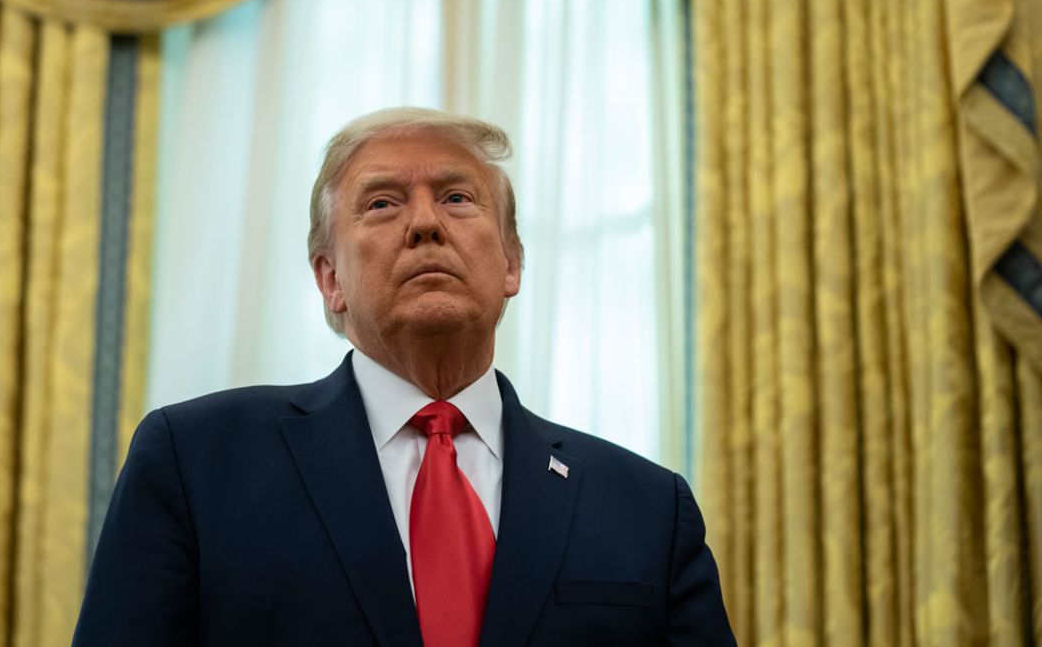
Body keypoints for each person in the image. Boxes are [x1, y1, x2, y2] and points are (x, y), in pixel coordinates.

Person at [73, 108, 735, 646]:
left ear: (511, 263)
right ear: (330, 278)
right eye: (384, 203)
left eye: (456, 197)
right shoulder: (196, 462)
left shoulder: (647, 508)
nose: (424, 223)